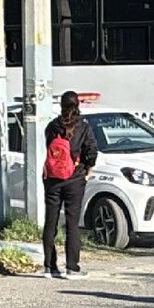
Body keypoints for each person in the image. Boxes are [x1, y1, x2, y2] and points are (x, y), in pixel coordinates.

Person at [41, 91, 99, 279]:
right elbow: (92, 151)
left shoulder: (52, 126)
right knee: (72, 223)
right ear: (77, 105)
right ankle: (72, 268)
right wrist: (88, 168)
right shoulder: (84, 127)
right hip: (74, 178)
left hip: (52, 179)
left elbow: (50, 149)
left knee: (51, 221)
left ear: (61, 106)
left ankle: (49, 266)